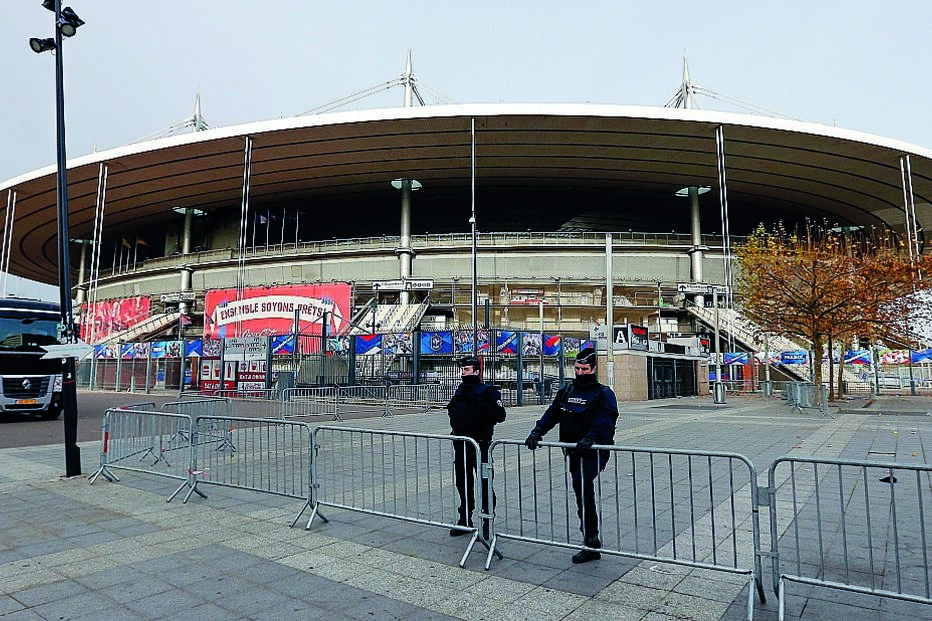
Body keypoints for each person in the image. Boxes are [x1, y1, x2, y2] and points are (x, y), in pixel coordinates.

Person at [524, 347, 618, 563]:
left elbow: (605, 420)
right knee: (580, 489)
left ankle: (591, 540)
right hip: (573, 450)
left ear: (594, 368)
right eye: (577, 368)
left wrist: (591, 438)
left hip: (594, 449)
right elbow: (552, 413)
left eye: (585, 369)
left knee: (582, 484)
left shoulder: (604, 393)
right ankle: (589, 538)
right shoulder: (567, 391)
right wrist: (537, 431)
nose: (580, 372)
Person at [447, 355, 507, 537]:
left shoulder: (489, 391)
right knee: (462, 484)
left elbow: (501, 415)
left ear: (477, 371)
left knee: (485, 483)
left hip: (481, 445)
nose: (463, 373)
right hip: (461, 445)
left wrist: (483, 407)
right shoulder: (459, 392)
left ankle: (487, 521)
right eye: (462, 370)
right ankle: (464, 518)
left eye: (466, 370)